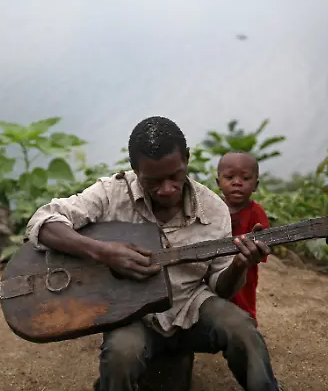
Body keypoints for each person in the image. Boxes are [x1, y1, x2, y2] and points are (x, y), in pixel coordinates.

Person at [26, 116, 279, 391]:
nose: (167, 189)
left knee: (243, 330)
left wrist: (240, 265)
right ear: (135, 170)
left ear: (187, 159)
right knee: (121, 355)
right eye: (153, 181)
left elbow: (221, 287)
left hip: (192, 305)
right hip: (133, 316)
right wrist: (102, 252)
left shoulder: (214, 209)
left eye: (175, 176)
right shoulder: (111, 193)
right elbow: (44, 221)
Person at [216, 151, 270, 326]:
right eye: (229, 177)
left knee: (243, 300)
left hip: (246, 269)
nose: (237, 183)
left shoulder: (257, 212)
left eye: (245, 178)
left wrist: (257, 252)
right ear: (218, 183)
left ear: (255, 185)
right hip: (217, 267)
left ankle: (246, 326)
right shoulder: (214, 208)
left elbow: (266, 244)